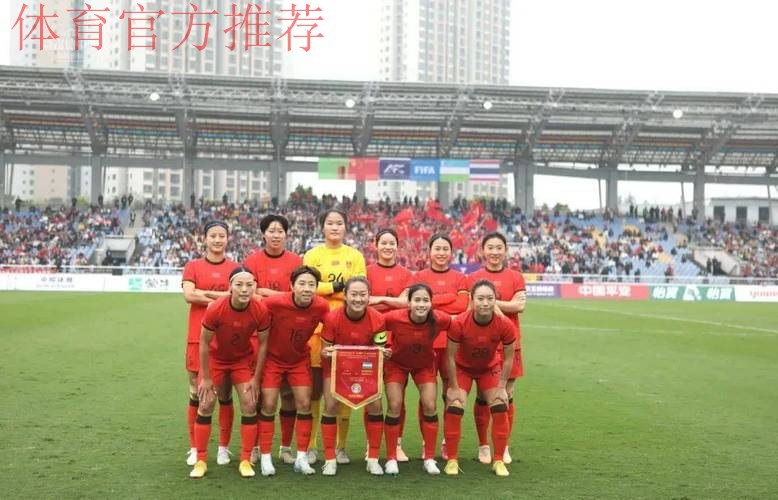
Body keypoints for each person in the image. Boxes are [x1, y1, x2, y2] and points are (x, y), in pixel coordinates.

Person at [189, 267, 271, 479]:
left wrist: (256, 379)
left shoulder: (260, 310)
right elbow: (204, 343)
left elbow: (263, 345)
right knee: (206, 404)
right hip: (215, 360)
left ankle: (245, 460)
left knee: (250, 404)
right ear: (230, 287)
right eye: (239, 284)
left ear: (254, 287)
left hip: (241, 361)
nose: (244, 289)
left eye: (249, 285)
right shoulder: (216, 308)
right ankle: (201, 460)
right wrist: (206, 378)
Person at [303, 208, 367, 465]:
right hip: (316, 330)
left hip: (348, 330)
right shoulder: (312, 255)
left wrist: (328, 290)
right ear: (322, 227)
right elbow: (308, 286)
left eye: (339, 223)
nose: (335, 227)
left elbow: (359, 289)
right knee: (315, 390)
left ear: (345, 227)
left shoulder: (355, 256)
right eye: (330, 223)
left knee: (344, 389)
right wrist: (336, 287)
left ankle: (341, 447)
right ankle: (311, 446)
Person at [257, 266, 330, 476]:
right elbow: (254, 317)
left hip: (298, 360)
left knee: (305, 404)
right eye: (302, 284)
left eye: (311, 285)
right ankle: (265, 457)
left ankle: (301, 457)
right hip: (273, 360)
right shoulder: (273, 303)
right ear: (292, 285)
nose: (307, 288)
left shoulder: (321, 306)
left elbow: (335, 325)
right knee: (269, 404)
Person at [243, 214, 303, 465]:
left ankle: (285, 448)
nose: (276, 235)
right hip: (258, 334)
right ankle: (256, 446)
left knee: (288, 396)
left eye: (280, 231)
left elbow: (300, 295)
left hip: (288, 335)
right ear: (263, 234)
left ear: (286, 235)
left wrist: (266, 294)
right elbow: (250, 293)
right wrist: (282, 296)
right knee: (259, 395)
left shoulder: (296, 261)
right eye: (271, 230)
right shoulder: (252, 260)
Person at [443, 280, 517, 477]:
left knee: (500, 405)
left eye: (490, 298)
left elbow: (509, 359)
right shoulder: (459, 322)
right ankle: (452, 460)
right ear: (472, 299)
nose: (485, 303)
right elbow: (449, 357)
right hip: (462, 369)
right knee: (455, 406)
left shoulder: (505, 324)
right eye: (480, 298)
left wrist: (502, 386)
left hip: (488, 368)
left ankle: (498, 460)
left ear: (495, 300)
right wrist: (454, 386)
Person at [319, 277, 389, 476]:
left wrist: (383, 353)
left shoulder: (378, 318)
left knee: (376, 406)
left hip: (365, 369)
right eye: (354, 294)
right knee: (331, 405)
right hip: (337, 368)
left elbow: (380, 347)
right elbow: (324, 351)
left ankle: (373, 459)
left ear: (369, 296)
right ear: (345, 296)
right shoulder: (332, 318)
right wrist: (328, 352)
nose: (358, 299)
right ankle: (330, 459)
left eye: (362, 294)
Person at [467, 232, 527, 465]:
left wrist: (488, 302)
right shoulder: (473, 277)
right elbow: (470, 307)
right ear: (482, 250)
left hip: (511, 343)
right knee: (483, 394)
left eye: (499, 247)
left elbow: (519, 306)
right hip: (482, 343)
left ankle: (504, 445)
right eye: (490, 247)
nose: (494, 252)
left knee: (506, 394)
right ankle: (483, 445)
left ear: (505, 250)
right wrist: (503, 305)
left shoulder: (515, 277)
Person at [181, 221, 237, 467]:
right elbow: (189, 295)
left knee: (224, 394)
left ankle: (223, 448)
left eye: (221, 235)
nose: (217, 239)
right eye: (213, 235)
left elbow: (240, 296)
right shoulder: (193, 266)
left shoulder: (235, 268)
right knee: (196, 392)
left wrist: (205, 294)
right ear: (205, 239)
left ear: (227, 239)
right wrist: (223, 297)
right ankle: (195, 447)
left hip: (226, 339)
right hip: (197, 336)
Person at [382, 284, 450, 475]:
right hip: (396, 364)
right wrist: (382, 346)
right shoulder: (394, 317)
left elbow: (459, 325)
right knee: (394, 405)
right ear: (409, 303)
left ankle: (429, 458)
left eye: (425, 300)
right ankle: (391, 458)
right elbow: (375, 325)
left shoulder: (440, 319)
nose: (421, 304)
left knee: (430, 405)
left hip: (424, 365)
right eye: (417, 300)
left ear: (431, 303)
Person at [414, 233, 469, 459]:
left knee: (450, 394)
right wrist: (448, 298)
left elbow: (462, 304)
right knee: (426, 397)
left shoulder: (461, 278)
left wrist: (432, 302)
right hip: (425, 344)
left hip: (451, 345)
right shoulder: (419, 277)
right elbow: (416, 305)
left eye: (445, 249)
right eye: (437, 248)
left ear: (451, 252)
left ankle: (447, 441)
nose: (441, 253)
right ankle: (426, 443)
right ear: (429, 251)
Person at [366, 228, 414, 461]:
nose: (387, 247)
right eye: (383, 243)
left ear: (397, 246)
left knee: (398, 396)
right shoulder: (366, 271)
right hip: (369, 338)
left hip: (399, 339)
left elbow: (407, 304)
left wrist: (379, 300)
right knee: (371, 395)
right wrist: (393, 301)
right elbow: (361, 302)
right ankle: (371, 444)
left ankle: (397, 444)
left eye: (391, 243)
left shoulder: (407, 275)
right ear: (375, 245)